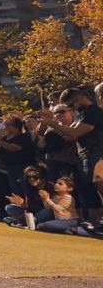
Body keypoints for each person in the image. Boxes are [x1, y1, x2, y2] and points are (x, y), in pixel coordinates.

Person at [41, 88, 103, 225]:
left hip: (96, 154)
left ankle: (96, 221)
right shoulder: (83, 113)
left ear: (80, 98)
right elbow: (69, 133)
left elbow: (75, 133)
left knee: (96, 186)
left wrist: (54, 124)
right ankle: (94, 222)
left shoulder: (93, 111)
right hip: (87, 155)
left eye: (72, 105)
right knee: (89, 188)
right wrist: (53, 124)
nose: (72, 108)